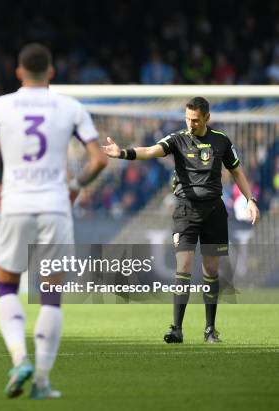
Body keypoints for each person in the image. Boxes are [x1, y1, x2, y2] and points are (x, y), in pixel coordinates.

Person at [0, 43, 107, 399]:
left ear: (19, 72)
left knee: (7, 286)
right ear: (51, 72)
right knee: (51, 296)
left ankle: (19, 357)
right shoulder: (71, 108)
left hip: (15, 204)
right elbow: (99, 160)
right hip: (55, 206)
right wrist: (73, 186)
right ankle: (41, 380)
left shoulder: (0, 106)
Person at [101, 96, 260, 344]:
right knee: (183, 267)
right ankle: (176, 328)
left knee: (211, 270)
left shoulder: (221, 141)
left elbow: (236, 171)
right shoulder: (177, 139)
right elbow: (150, 151)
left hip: (214, 212)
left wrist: (251, 200)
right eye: (187, 118)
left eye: (195, 120)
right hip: (186, 210)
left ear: (207, 117)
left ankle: (210, 330)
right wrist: (122, 152)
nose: (191, 124)